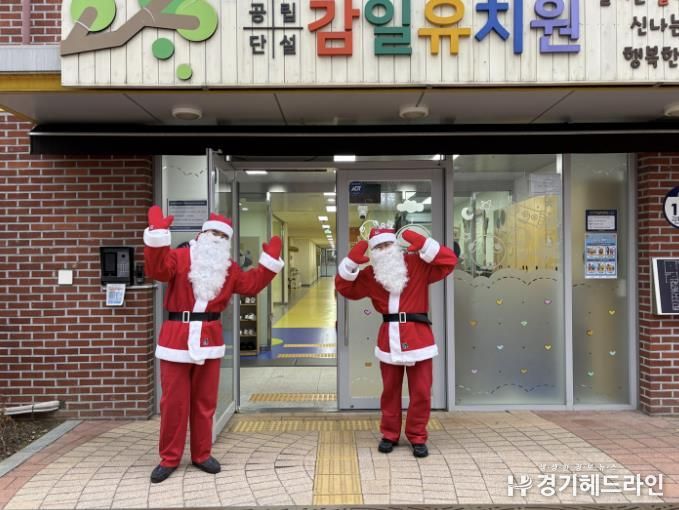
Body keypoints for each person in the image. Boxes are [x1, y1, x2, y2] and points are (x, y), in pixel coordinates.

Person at [143, 206, 284, 483]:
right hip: (176, 338)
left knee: (205, 402)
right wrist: (157, 238)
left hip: (210, 339)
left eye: (223, 236)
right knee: (173, 403)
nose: (218, 239)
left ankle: (201, 454)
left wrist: (269, 264)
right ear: (202, 234)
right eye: (214, 233)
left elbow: (251, 284)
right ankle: (169, 458)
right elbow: (157, 270)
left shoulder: (228, 268)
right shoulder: (180, 256)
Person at [335, 226, 457, 458]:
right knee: (390, 392)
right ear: (373, 252)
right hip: (388, 339)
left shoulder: (417, 264)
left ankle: (417, 435)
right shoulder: (371, 275)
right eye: (378, 247)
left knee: (421, 392)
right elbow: (345, 288)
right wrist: (350, 263)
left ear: (395, 245)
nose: (384, 249)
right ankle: (389, 434)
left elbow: (449, 261)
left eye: (387, 244)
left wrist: (424, 243)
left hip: (419, 337)